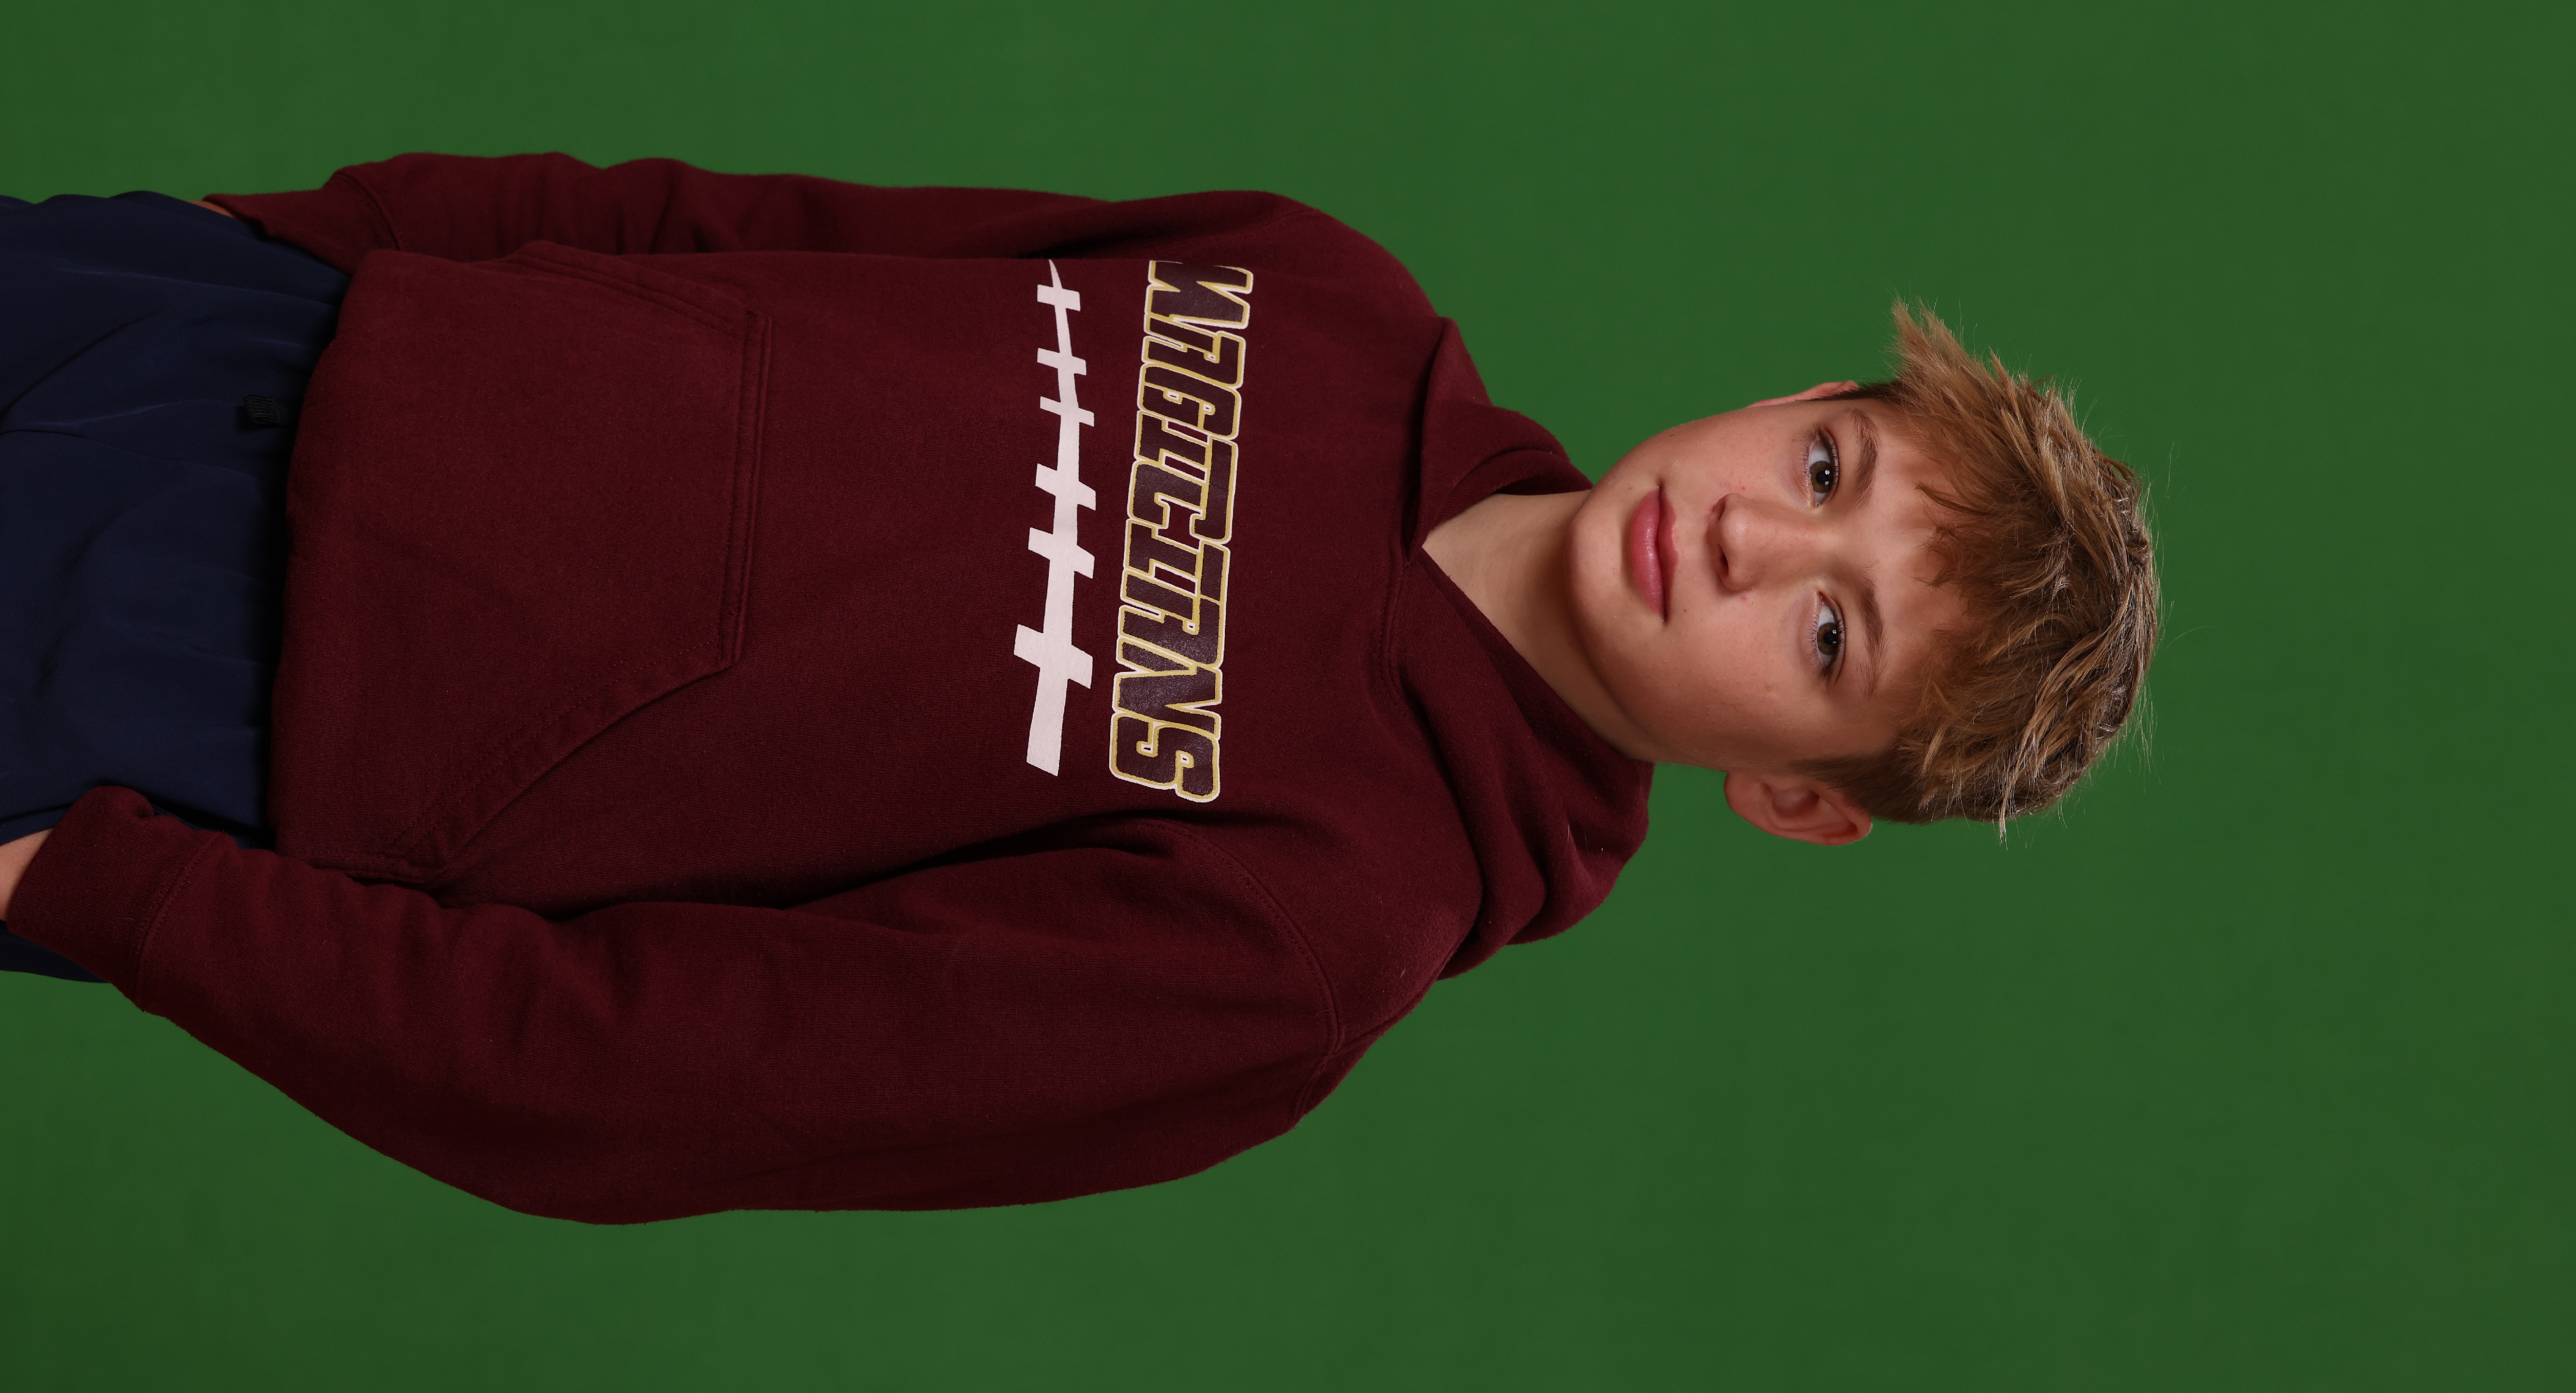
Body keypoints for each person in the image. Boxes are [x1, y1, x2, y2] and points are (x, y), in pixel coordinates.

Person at [0, 155, 2157, 1221]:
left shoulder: (1309, 937)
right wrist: (281, 240)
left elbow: (654, 1077)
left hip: (192, 702)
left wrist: (105, 892)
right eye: (1827, 469)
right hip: (222, 330)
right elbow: (745, 228)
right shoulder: (1325, 301)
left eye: (1831, 638)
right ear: (1795, 398)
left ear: (1800, 797)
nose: (1758, 540)